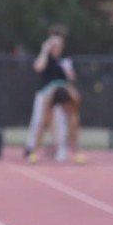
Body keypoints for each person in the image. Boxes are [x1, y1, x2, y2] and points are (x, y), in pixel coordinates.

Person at [26, 26, 83, 163]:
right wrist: (44, 50)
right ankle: (33, 150)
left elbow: (72, 78)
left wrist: (68, 71)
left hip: (62, 89)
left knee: (68, 120)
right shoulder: (47, 57)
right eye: (54, 44)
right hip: (46, 91)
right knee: (41, 121)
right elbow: (38, 67)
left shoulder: (65, 59)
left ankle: (70, 150)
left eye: (59, 44)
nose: (57, 47)